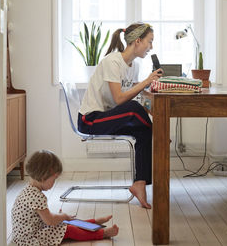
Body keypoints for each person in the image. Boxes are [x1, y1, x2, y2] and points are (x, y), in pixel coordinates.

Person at [78, 22, 162, 209]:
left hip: (108, 117)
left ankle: (140, 183)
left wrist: (148, 93)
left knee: (143, 131)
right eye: (150, 42)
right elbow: (119, 99)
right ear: (138, 41)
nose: (151, 47)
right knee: (133, 108)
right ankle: (160, 134)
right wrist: (146, 81)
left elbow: (132, 99)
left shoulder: (133, 66)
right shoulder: (113, 62)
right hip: (90, 120)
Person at [11, 150, 119, 245]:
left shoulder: (28, 189)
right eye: (54, 179)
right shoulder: (37, 197)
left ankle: (93, 223)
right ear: (44, 177)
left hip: (23, 237)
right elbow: (50, 221)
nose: (54, 183)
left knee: (65, 221)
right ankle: (103, 233)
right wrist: (63, 216)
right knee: (68, 229)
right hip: (30, 240)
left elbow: (46, 218)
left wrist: (62, 217)